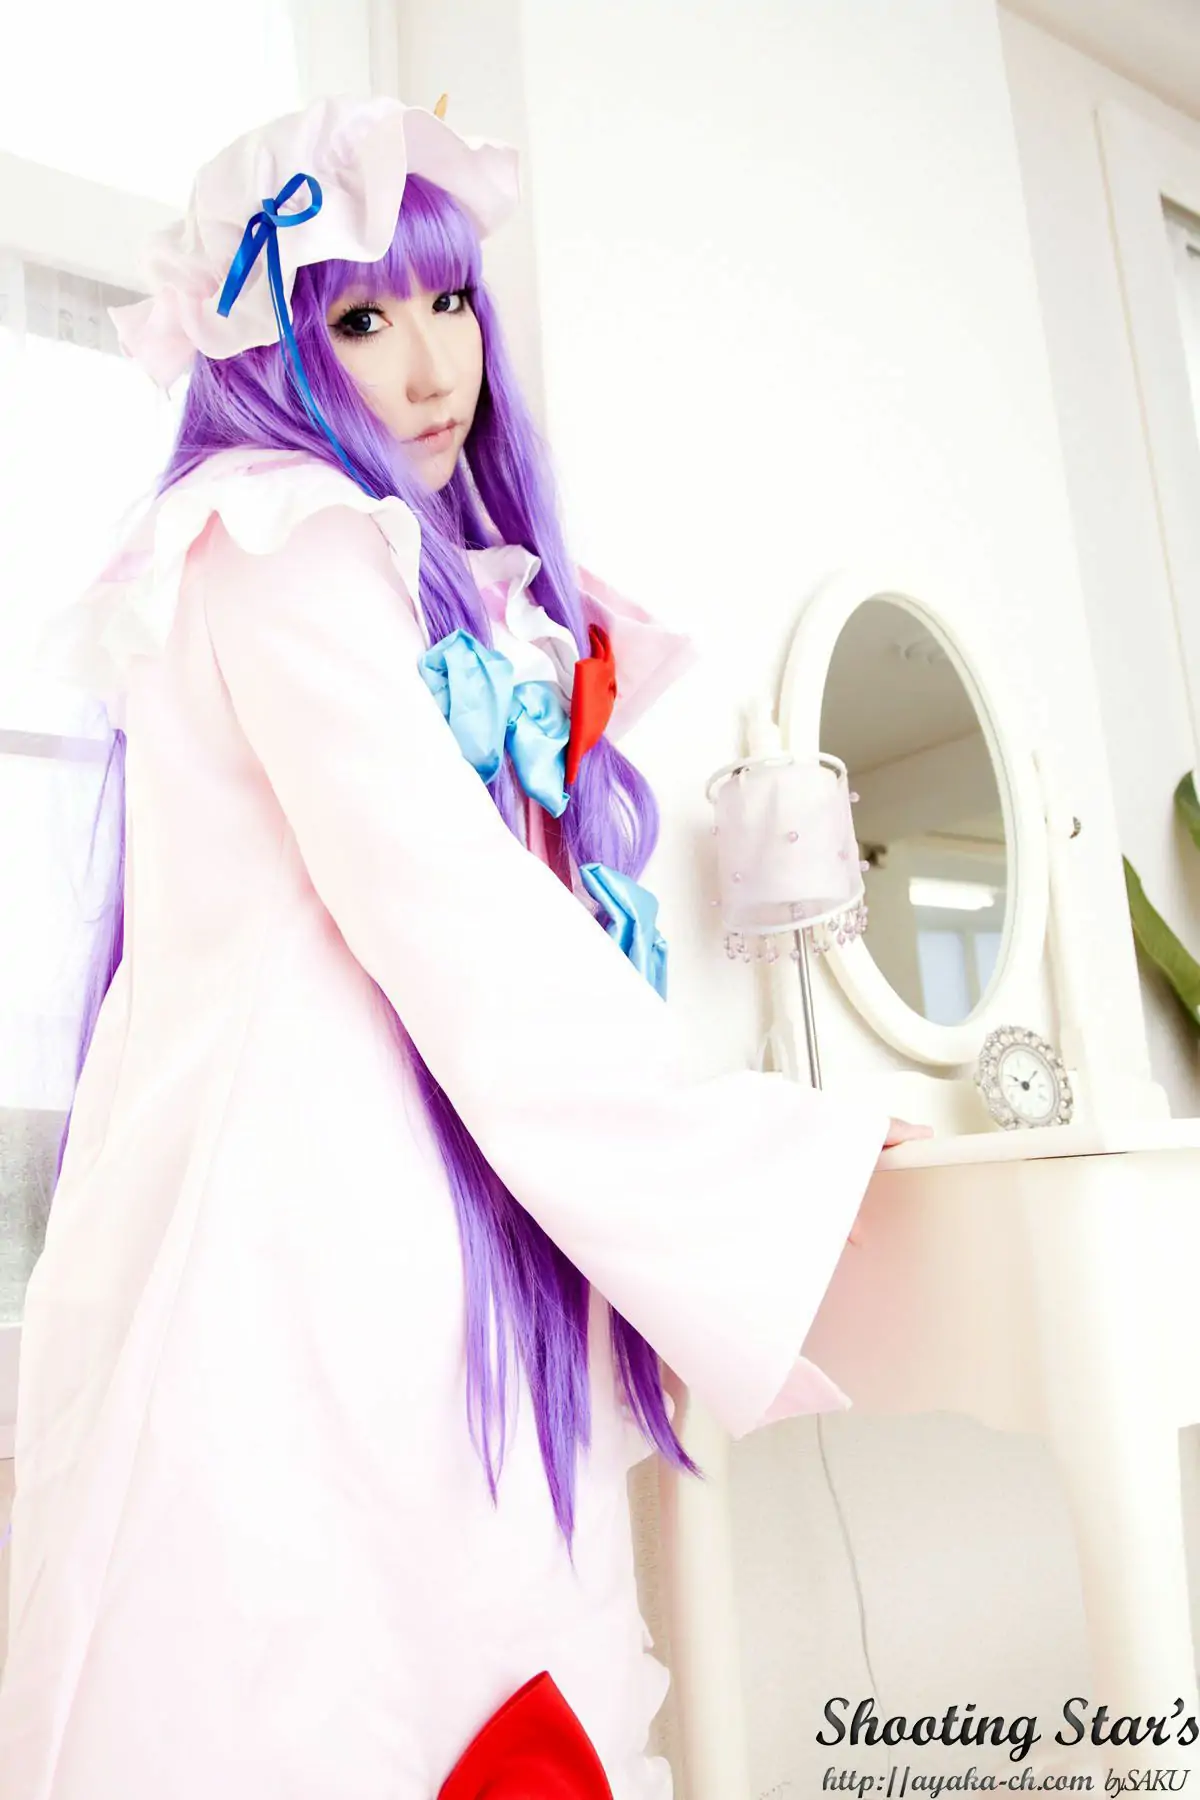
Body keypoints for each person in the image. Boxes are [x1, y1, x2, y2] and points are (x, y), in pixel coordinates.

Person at [0, 94, 932, 1799]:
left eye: (449, 303)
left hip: (361, 1217)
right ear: (267, 345)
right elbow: (456, 924)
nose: (434, 366)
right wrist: (763, 1150)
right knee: (327, 1695)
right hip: (306, 1235)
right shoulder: (281, 542)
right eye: (363, 318)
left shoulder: (369, 569)